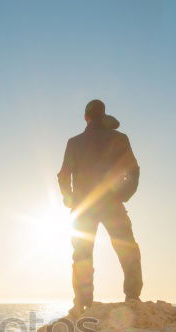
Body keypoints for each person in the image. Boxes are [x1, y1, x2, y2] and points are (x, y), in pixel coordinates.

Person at [57, 99, 143, 315]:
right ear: (103, 115)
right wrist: (124, 195)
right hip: (111, 202)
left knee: (82, 254)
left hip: (84, 205)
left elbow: (64, 175)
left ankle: (83, 303)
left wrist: (69, 199)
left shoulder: (74, 142)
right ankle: (132, 296)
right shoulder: (119, 138)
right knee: (127, 249)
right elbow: (133, 170)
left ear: (86, 117)